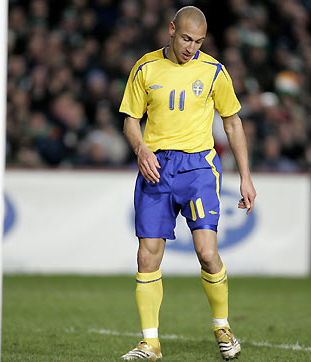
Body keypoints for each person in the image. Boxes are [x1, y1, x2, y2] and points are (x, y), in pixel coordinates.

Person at [119, 6, 256, 361]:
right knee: (147, 257)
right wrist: (141, 149)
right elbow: (131, 119)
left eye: (197, 41)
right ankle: (150, 343)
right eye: (185, 39)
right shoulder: (146, 67)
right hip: (157, 166)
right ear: (171, 30)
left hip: (198, 169)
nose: (191, 47)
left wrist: (245, 177)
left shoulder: (214, 72)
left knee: (208, 254)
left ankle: (222, 326)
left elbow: (233, 123)